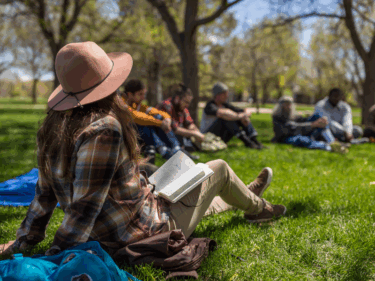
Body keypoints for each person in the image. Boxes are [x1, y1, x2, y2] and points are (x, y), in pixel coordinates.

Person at [0, 42, 286, 258]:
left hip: (137, 210)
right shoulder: (103, 128)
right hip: (138, 234)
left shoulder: (52, 128)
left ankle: (246, 195)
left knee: (188, 180)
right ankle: (261, 209)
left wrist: (24, 240)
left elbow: (44, 195)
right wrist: (57, 256)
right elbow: (85, 208)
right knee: (219, 168)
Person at [121, 79, 182, 161]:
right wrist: (160, 123)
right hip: (126, 137)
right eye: (140, 94)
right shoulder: (121, 103)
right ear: (130, 94)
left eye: (144, 94)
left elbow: (155, 112)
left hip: (137, 135)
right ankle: (165, 149)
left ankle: (175, 147)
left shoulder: (135, 104)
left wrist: (167, 119)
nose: (143, 97)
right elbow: (136, 117)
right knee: (144, 123)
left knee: (157, 116)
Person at [200, 82, 265, 149]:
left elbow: (244, 110)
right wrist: (239, 116)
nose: (227, 96)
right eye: (224, 94)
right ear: (217, 95)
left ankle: (254, 140)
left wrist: (243, 116)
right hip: (208, 137)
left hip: (221, 136)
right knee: (226, 119)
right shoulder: (210, 106)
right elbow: (223, 113)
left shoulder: (225, 105)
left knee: (236, 117)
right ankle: (247, 142)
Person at [272, 96, 339, 151]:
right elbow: (292, 127)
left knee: (317, 117)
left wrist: (319, 120)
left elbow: (302, 120)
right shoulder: (277, 117)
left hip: (300, 132)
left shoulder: (292, 115)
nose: (289, 107)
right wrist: (313, 125)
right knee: (302, 139)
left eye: (290, 104)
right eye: (286, 105)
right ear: (281, 106)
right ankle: (327, 146)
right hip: (286, 137)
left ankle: (332, 142)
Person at [156, 83, 205, 155]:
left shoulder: (182, 108)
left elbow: (189, 123)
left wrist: (195, 130)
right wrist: (195, 133)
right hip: (162, 136)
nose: (187, 105)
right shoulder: (166, 106)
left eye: (189, 103)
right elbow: (175, 129)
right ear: (177, 98)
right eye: (186, 102)